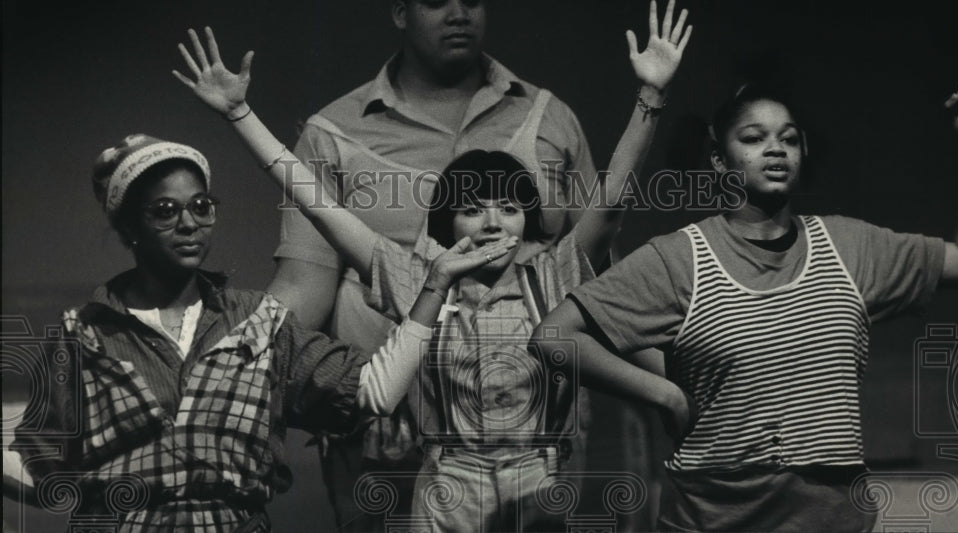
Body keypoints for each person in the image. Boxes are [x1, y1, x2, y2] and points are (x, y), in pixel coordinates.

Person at [172, 2, 692, 528]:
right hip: (442, 479)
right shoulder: (418, 282)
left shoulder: (555, 273)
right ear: (446, 224)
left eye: (509, 209)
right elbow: (319, 206)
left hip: (539, 475)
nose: (492, 223)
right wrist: (241, 115)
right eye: (472, 209)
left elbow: (610, 209)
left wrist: (651, 96)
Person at [532, 47, 958, 532]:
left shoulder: (852, 247)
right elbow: (552, 338)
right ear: (718, 159)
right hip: (713, 519)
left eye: (789, 139)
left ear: (803, 154)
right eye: (754, 138)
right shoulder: (680, 258)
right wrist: (664, 395)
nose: (775, 149)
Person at [8, 133, 491, 532]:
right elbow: (38, 467)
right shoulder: (84, 336)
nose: (189, 223)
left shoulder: (259, 323)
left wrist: (435, 287)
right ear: (130, 225)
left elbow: (373, 392)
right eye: (164, 211)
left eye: (201, 206)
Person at [268, 1, 606, 522]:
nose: (458, 13)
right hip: (382, 419)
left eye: (471, 0)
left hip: (532, 430)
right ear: (400, 12)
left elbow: (598, 268)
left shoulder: (550, 117)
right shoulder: (333, 131)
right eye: (436, 1)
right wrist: (237, 368)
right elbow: (302, 284)